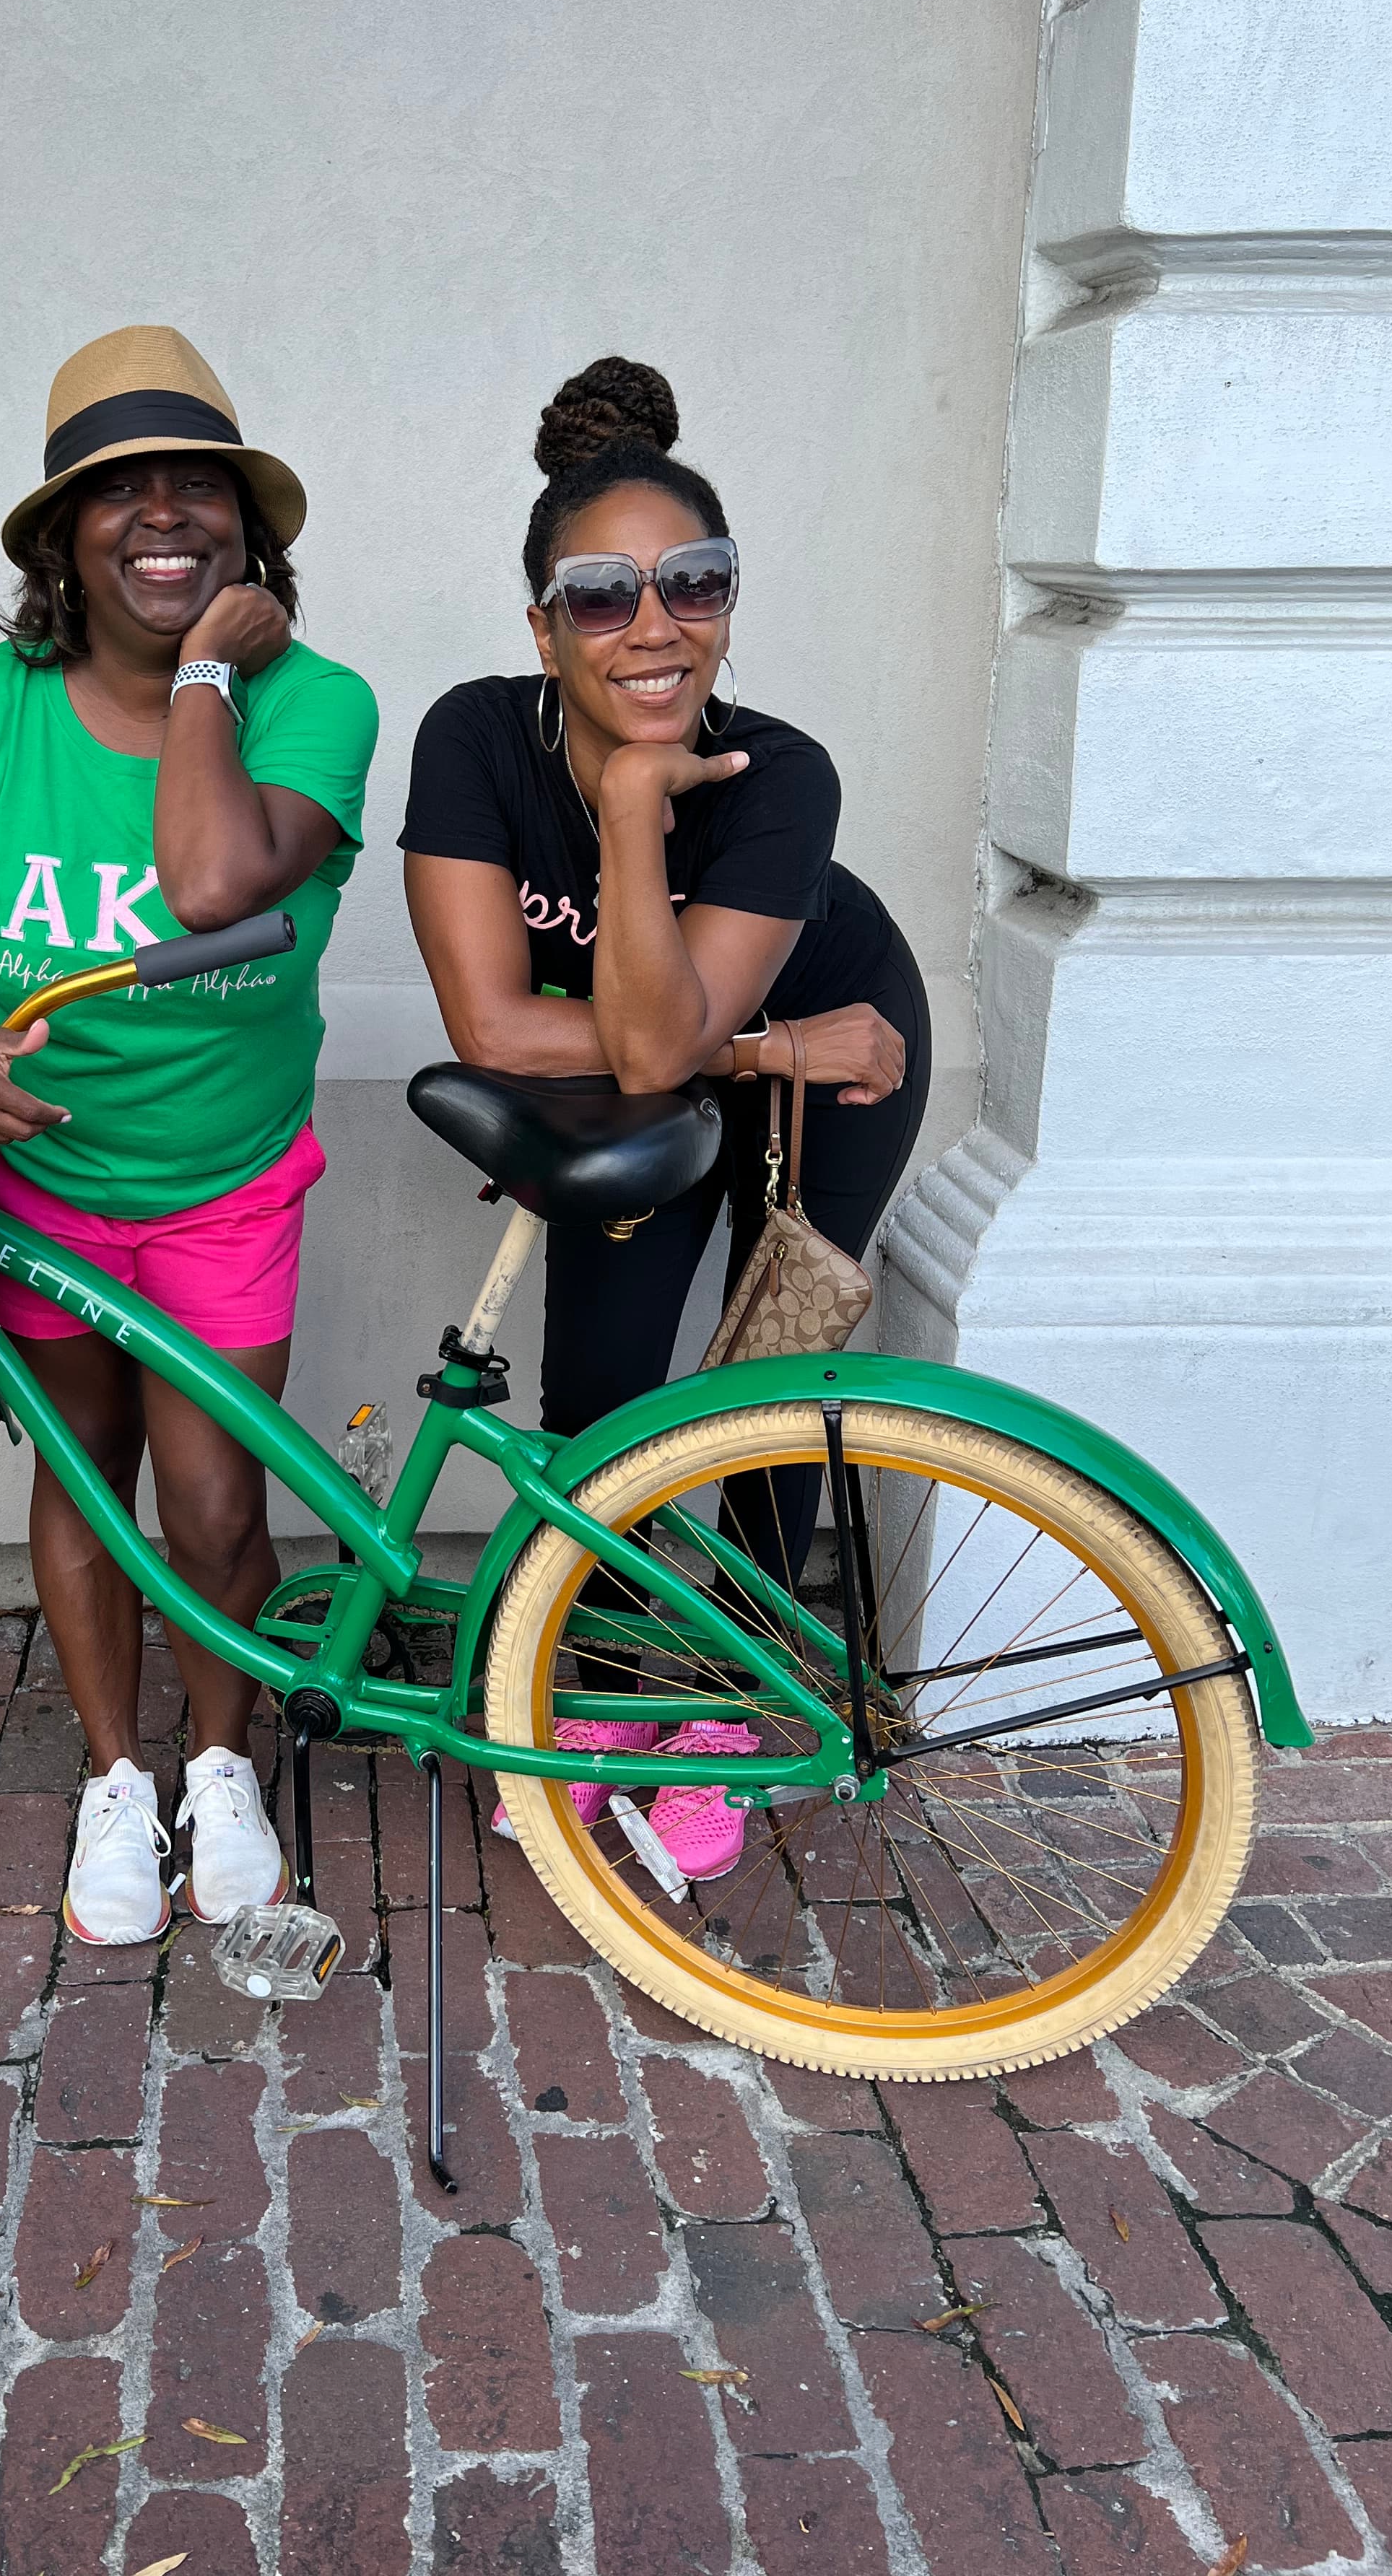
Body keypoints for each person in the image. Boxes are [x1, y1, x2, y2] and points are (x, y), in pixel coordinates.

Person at [0, 326, 378, 1945]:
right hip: (42, 1185)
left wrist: (209, 674)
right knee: (85, 1486)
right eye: (119, 491)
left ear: (248, 531)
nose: (164, 515)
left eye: (199, 488)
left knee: (215, 1508)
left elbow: (218, 885)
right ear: (60, 540)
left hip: (223, 1185)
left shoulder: (320, 703)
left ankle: (220, 1766)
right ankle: (114, 1776)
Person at [400, 354, 930, 1882]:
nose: (653, 626)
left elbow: (643, 1040)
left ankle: (728, 1706)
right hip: (783, 1047)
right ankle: (604, 1684)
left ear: (728, 601)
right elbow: (502, 1027)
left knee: (769, 1384)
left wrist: (642, 815)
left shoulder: (781, 776)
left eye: (693, 582)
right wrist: (765, 1040)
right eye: (601, 595)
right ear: (543, 627)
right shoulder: (476, 740)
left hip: (840, 1075)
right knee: (604, 1387)